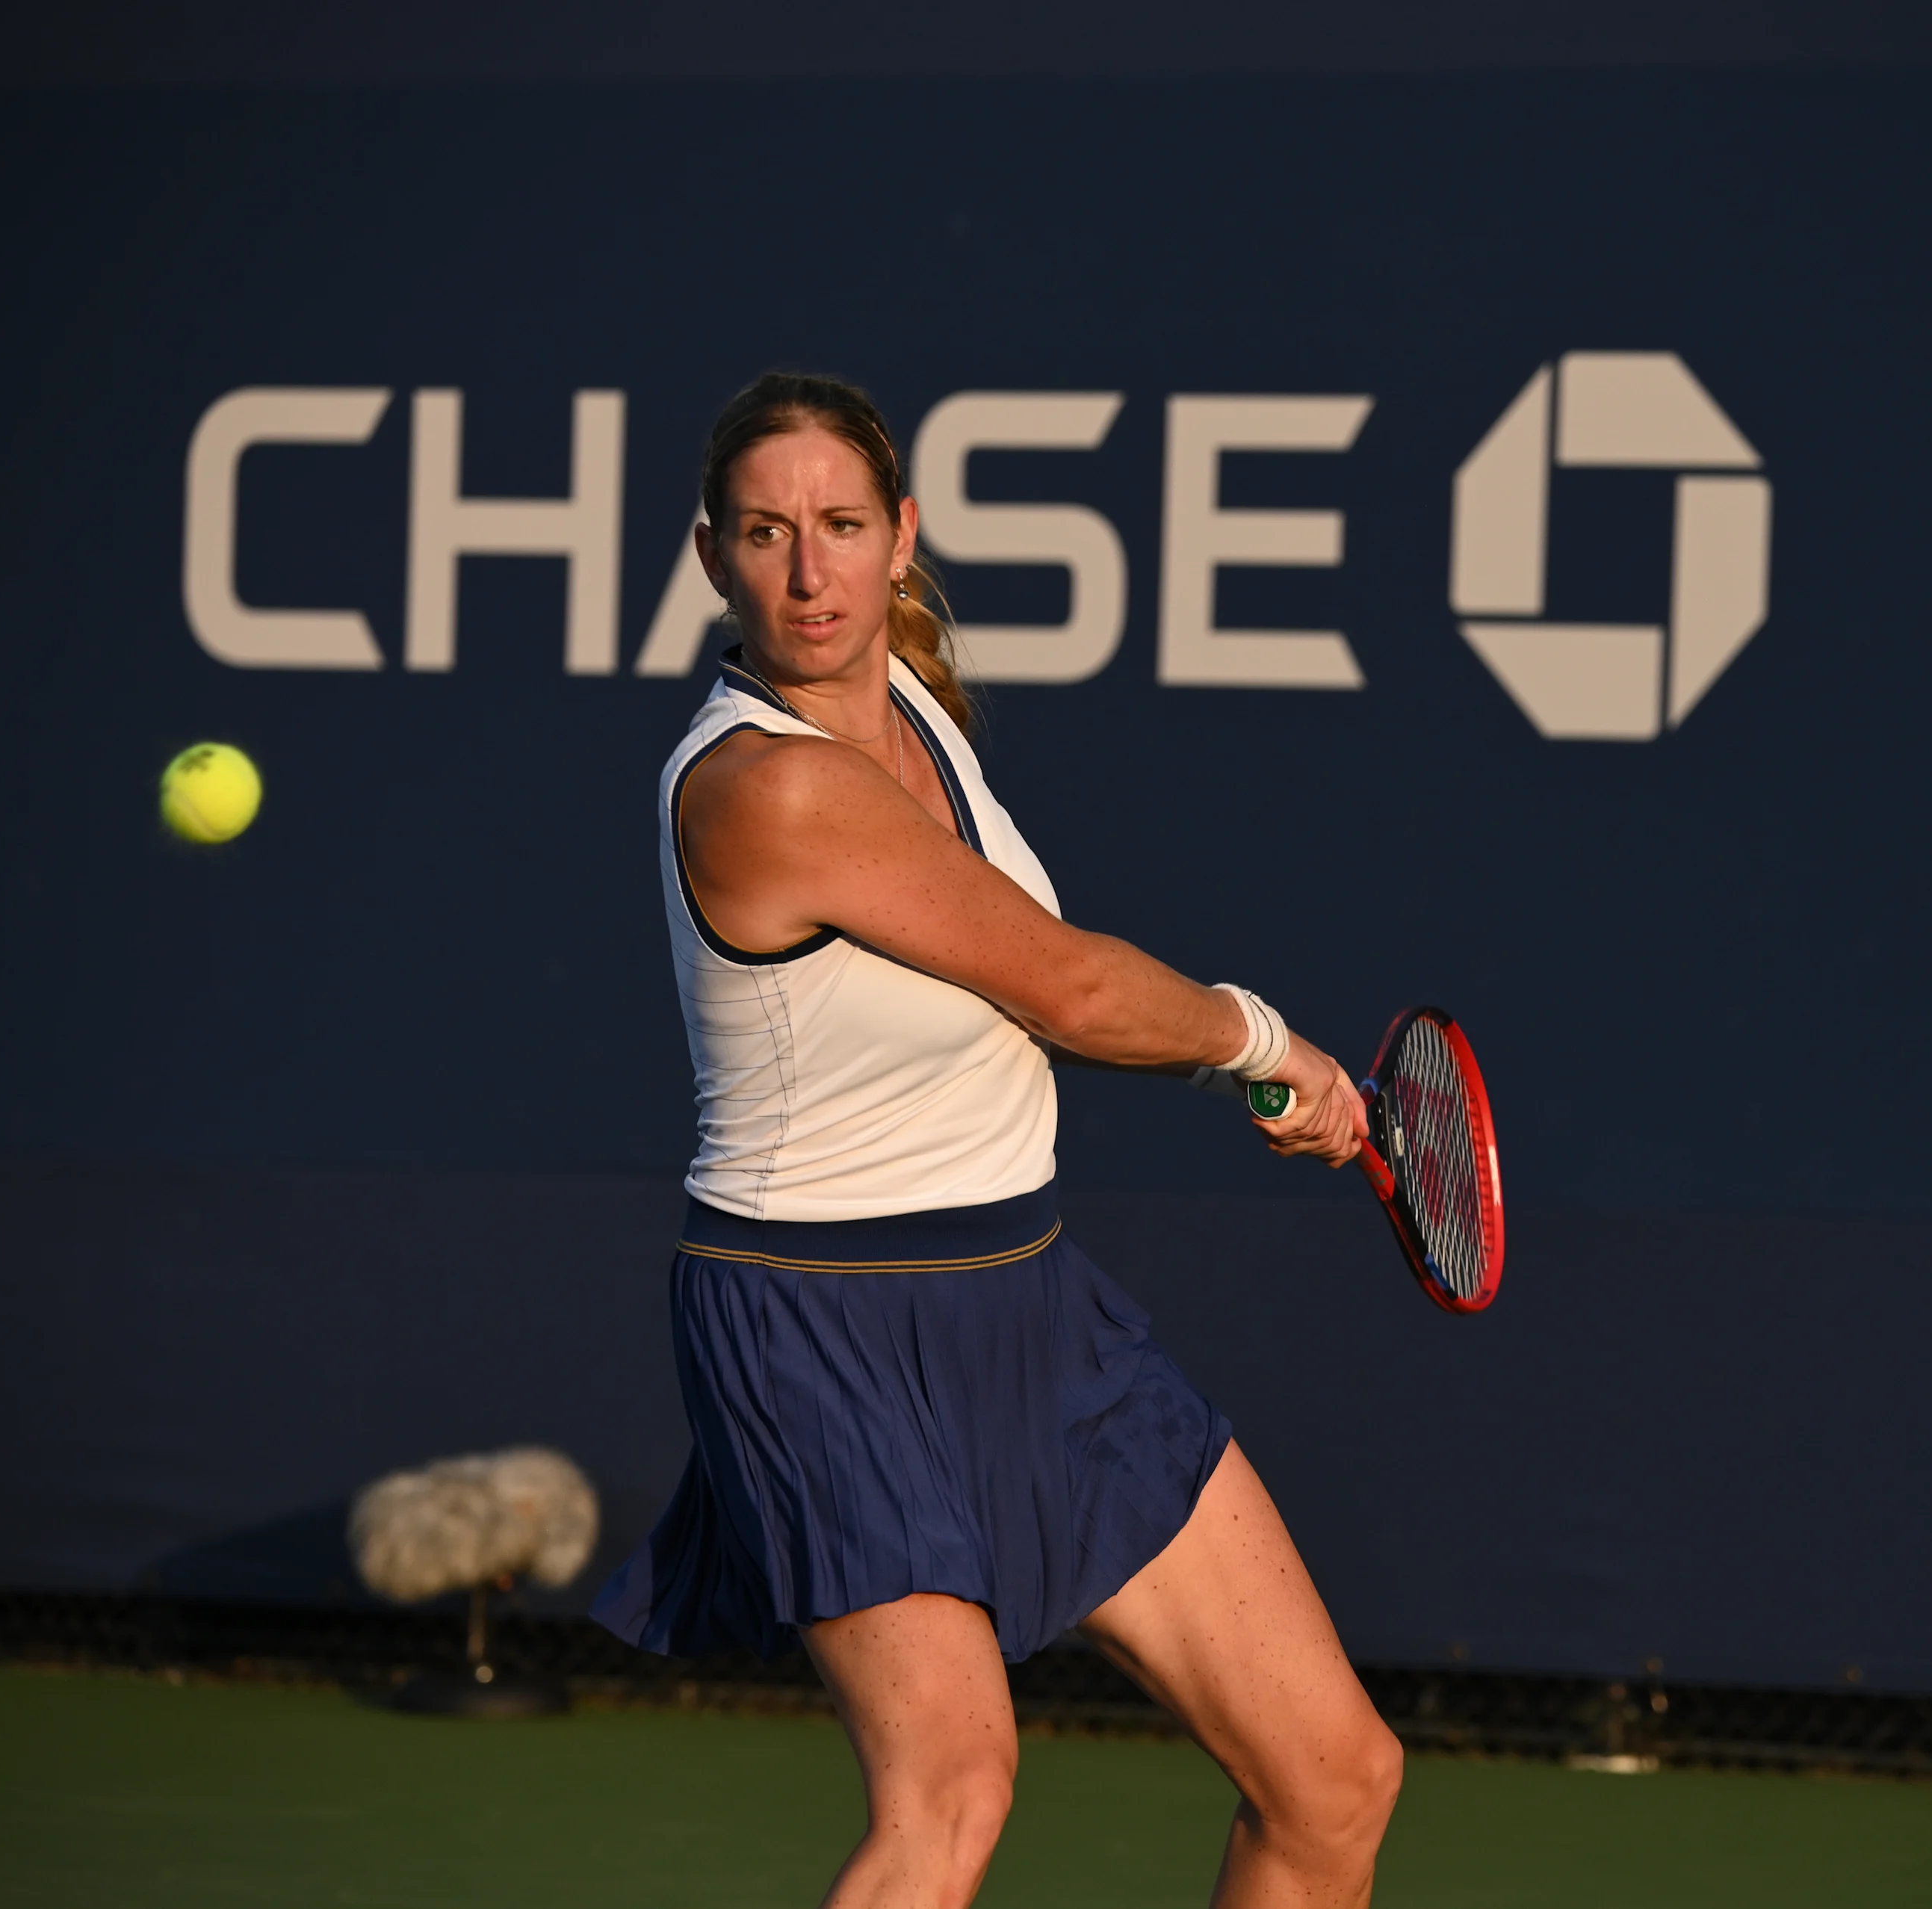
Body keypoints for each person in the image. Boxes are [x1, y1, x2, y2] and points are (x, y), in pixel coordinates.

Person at [592, 372, 1404, 1908]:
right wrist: (1263, 1040)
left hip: (1028, 1301)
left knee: (1335, 1775)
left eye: (841, 527)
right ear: (713, 558)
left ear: (903, 538)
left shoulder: (909, 700)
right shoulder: (764, 788)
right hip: (812, 1317)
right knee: (952, 1788)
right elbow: (1073, 984)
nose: (810, 572)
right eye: (766, 534)